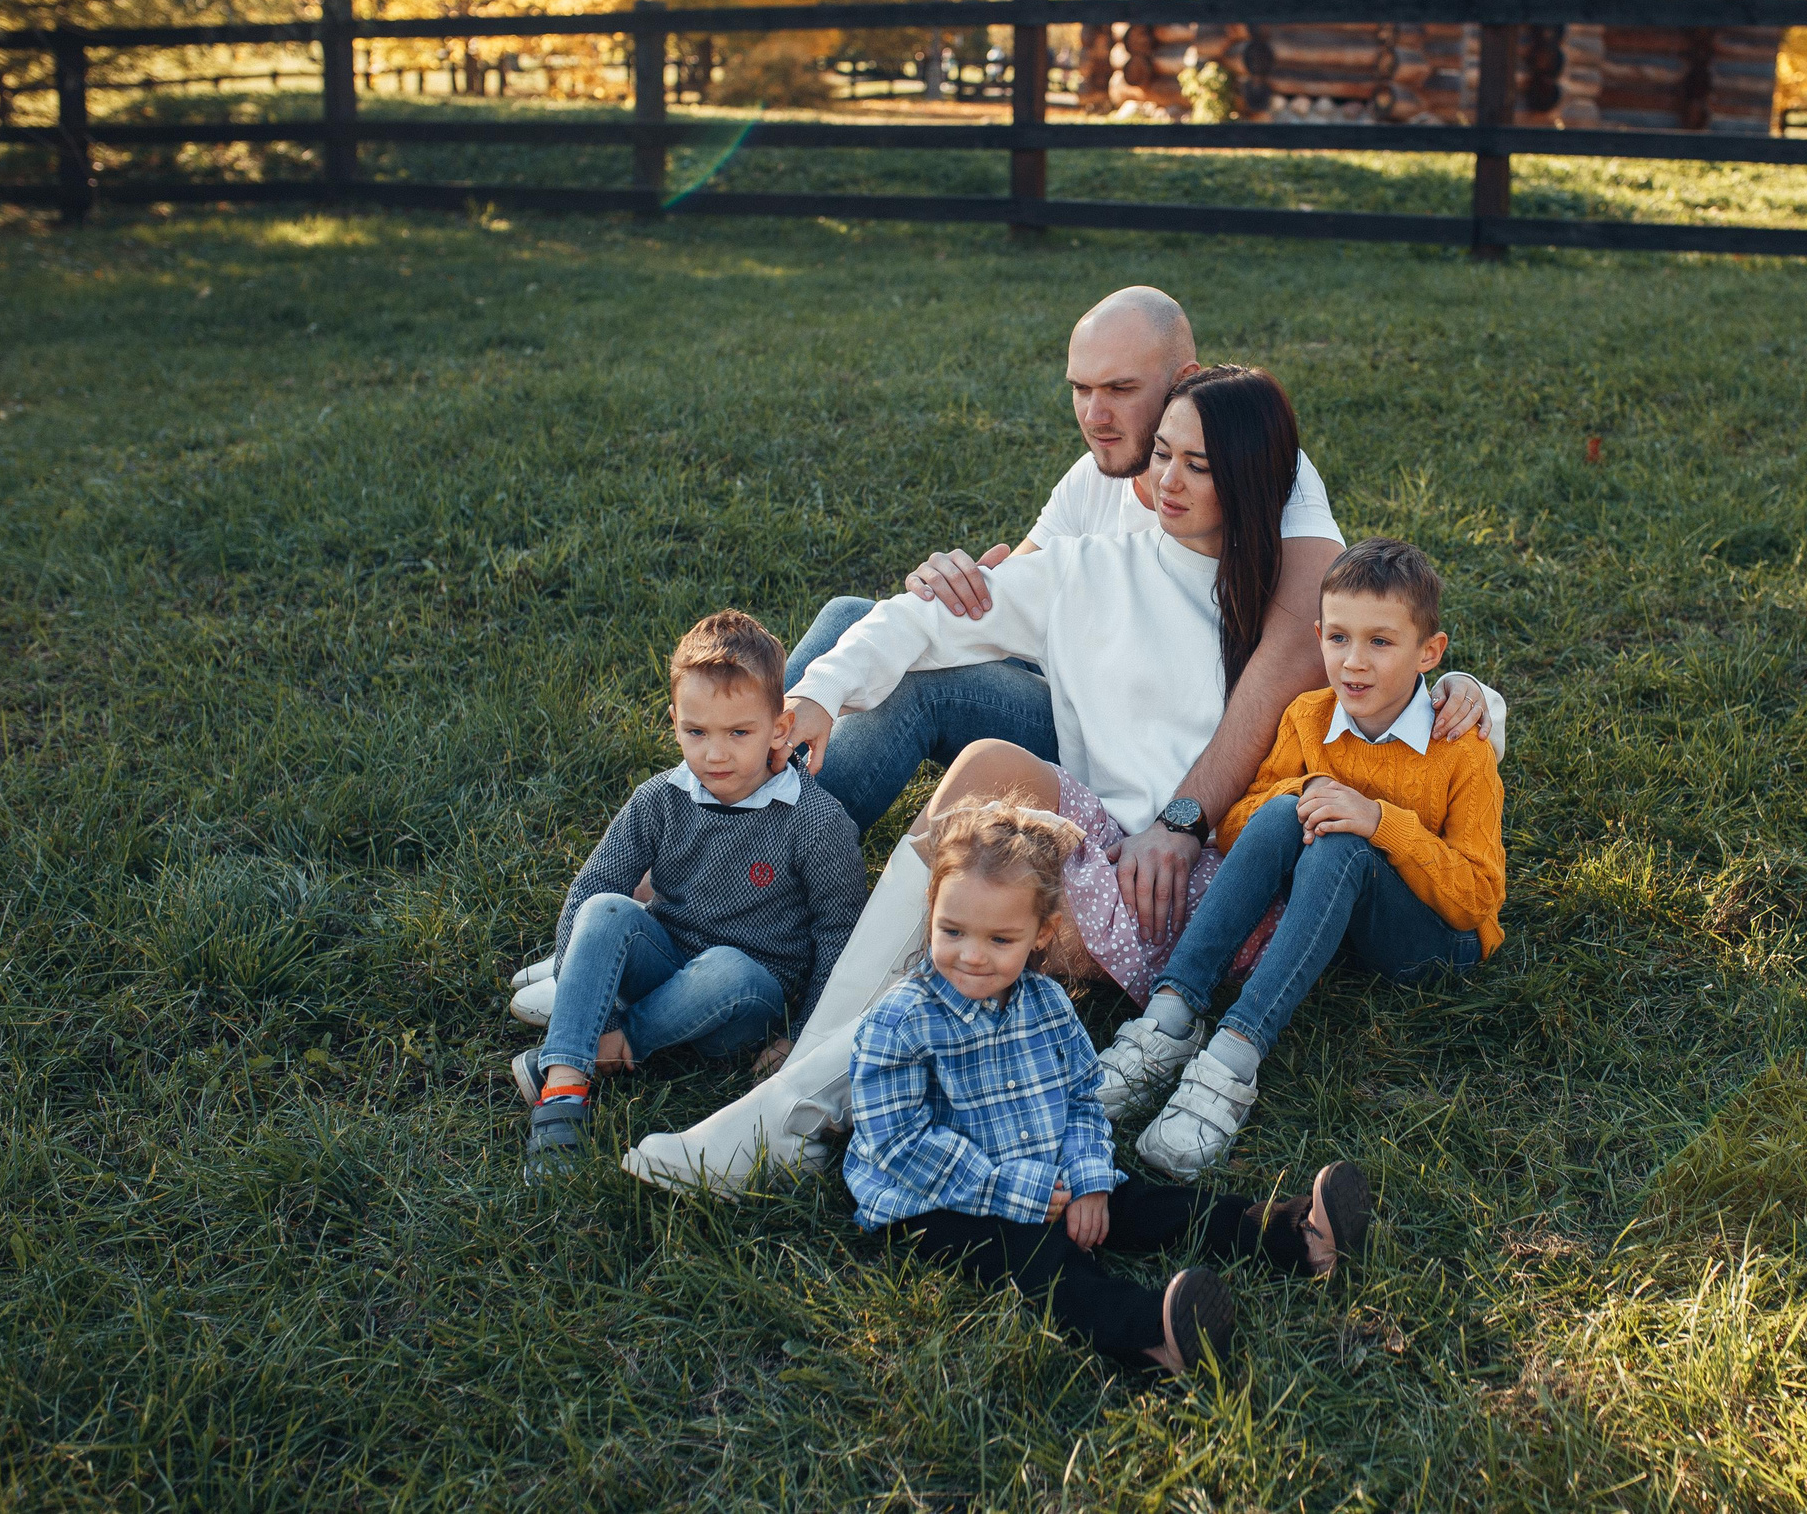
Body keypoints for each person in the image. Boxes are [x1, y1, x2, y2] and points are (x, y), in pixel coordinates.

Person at [500, 286, 1506, 1030]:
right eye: (1081, 390)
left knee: (923, 687)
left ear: (1185, 380)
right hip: (1097, 701)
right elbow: (1022, 581)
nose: (1100, 417)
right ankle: (716, 865)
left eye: (1124, 391)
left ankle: (743, 886)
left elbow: (1303, 641)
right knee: (864, 616)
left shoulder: (1255, 467)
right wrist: (943, 581)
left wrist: (1185, 816)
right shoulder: (1103, 476)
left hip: (1196, 757)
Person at [620, 366, 1313, 1194]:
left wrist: (1466, 699)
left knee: (982, 912)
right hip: (1104, 839)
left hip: (1197, 882)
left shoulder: (1287, 602)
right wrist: (817, 691)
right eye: (1161, 453)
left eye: (1197, 465)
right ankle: (803, 1076)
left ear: (1247, 473)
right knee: (990, 764)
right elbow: (923, 620)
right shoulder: (1090, 568)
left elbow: (1392, 669)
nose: (1166, 479)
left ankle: (790, 1114)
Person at [845, 801, 1371, 1374]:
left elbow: (1080, 1100)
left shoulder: (1047, 1007)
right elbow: (901, 1145)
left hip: (1048, 1174)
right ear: (932, 910)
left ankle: (1292, 1233)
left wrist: (1091, 1182)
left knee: (1147, 1204)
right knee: (1039, 1256)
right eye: (952, 931)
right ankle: (1152, 1335)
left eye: (1000, 940)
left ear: (1040, 934)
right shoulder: (899, 1023)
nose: (971, 956)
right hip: (933, 1201)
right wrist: (1012, 1191)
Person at [1103, 539, 1505, 1178]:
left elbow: (1479, 899)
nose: (1354, 662)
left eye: (1381, 642)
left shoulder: (1461, 748)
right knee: (1284, 808)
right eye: (1339, 638)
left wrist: (1381, 823)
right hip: (1336, 907)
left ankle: (1232, 1058)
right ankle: (1170, 1015)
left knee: (1345, 842)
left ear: (1429, 652)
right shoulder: (1308, 716)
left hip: (1432, 941)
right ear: (1318, 636)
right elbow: (1237, 829)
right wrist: (1305, 791)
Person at [516, 611, 866, 1180]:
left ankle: (613, 1045)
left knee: (726, 968)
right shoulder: (659, 798)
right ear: (674, 721)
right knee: (605, 909)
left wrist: (801, 1042)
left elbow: (838, 936)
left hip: (749, 997)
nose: (715, 755)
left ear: (780, 728)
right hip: (667, 957)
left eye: (739, 733)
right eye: (696, 732)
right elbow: (592, 888)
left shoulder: (814, 820)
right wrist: (581, 983)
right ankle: (561, 1091)